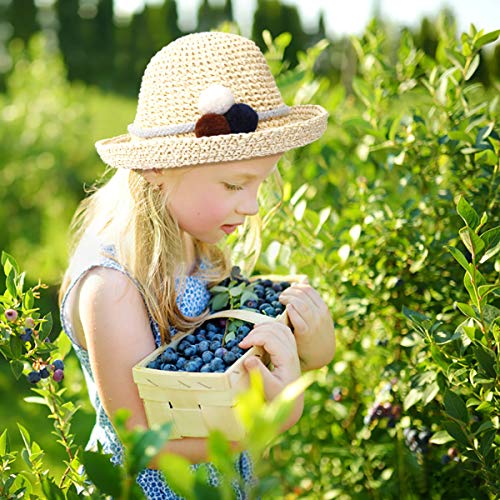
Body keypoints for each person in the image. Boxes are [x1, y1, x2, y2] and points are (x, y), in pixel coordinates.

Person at [58, 31, 335, 499]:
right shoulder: (113, 285)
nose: (251, 206)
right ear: (158, 170)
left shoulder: (196, 243)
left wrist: (312, 349)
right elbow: (141, 440)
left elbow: (232, 360)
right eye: (233, 186)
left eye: (259, 185)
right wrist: (275, 418)